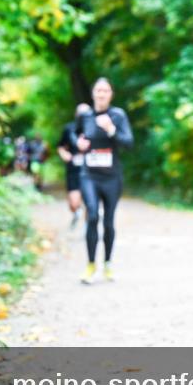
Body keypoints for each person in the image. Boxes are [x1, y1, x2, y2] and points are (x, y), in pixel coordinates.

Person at [72, 78, 133, 284]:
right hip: (89, 175)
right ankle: (90, 265)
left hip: (111, 177)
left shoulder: (118, 115)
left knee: (108, 221)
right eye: (98, 90)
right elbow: (76, 137)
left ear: (111, 94)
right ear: (93, 93)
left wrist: (111, 129)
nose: (101, 94)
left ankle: (107, 263)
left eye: (105, 91)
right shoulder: (85, 116)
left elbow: (129, 143)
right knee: (92, 216)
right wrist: (78, 144)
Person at [56, 103, 91, 229]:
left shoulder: (94, 128)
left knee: (90, 202)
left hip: (90, 171)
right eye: (80, 113)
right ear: (76, 114)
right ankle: (76, 212)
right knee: (74, 203)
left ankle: (88, 227)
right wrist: (64, 154)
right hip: (73, 170)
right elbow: (60, 146)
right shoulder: (69, 129)